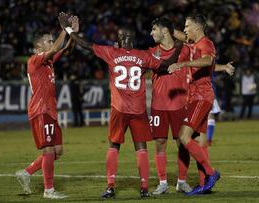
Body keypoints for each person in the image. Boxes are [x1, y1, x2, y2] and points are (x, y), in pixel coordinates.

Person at [58, 13, 183, 199]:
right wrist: (179, 47)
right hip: (138, 110)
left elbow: (84, 44)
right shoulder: (143, 56)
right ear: (131, 38)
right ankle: (144, 188)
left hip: (119, 109)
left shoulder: (111, 52)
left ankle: (110, 187)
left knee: (114, 146)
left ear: (121, 38)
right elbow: (167, 64)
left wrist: (67, 29)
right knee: (141, 148)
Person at [15, 13, 77, 199]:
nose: (52, 43)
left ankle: (26, 173)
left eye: (51, 41)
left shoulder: (48, 62)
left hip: (50, 110)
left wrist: (72, 33)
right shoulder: (34, 60)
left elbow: (65, 49)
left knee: (57, 151)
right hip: (41, 110)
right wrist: (64, 29)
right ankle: (48, 190)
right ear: (38, 47)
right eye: (48, 41)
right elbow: (58, 47)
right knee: (48, 150)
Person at [168, 14, 221, 195]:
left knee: (184, 136)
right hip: (195, 97)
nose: (185, 29)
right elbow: (180, 36)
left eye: (187, 26)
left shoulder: (205, 43)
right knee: (198, 140)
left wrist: (184, 63)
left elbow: (208, 60)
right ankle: (205, 183)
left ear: (197, 28)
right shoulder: (193, 43)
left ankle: (211, 173)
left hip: (201, 96)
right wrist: (166, 26)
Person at [148, 17, 193, 195]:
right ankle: (163, 182)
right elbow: (162, 68)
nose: (151, 33)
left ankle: (182, 181)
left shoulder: (184, 50)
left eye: (154, 29)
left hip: (180, 105)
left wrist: (173, 30)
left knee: (182, 143)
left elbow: (193, 40)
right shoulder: (152, 52)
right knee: (159, 143)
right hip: (158, 105)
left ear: (164, 31)